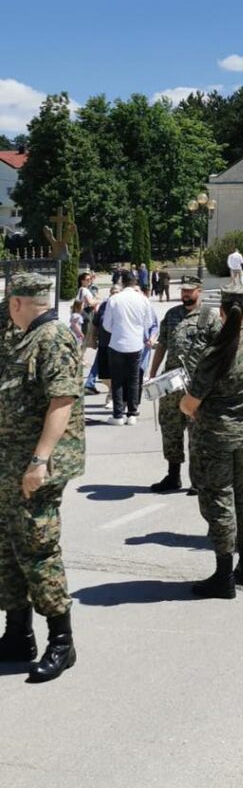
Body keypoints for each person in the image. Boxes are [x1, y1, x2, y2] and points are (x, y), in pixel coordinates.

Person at [0, 273, 85, 682]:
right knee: (7, 546)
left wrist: (39, 460)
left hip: (36, 466)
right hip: (8, 462)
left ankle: (61, 641)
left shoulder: (52, 338)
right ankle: (17, 633)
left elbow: (63, 400)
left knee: (37, 547)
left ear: (16, 303)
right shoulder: (19, 337)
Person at [180, 288, 243, 596]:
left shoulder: (216, 350)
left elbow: (191, 403)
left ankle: (223, 576)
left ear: (221, 312)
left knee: (219, 500)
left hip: (216, 439)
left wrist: (185, 407)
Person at [147, 277, 221, 492]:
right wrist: (152, 373)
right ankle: (173, 475)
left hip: (196, 385)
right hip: (171, 383)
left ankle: (198, 480)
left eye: (190, 291)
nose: (185, 295)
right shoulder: (172, 315)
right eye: (183, 291)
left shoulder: (209, 317)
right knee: (170, 428)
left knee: (196, 432)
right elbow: (162, 344)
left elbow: (218, 350)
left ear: (199, 291)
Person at [101, 271, 156, 424]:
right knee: (134, 379)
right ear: (135, 282)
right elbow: (148, 323)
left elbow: (107, 325)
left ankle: (118, 414)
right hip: (135, 344)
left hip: (117, 343)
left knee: (117, 380)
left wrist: (118, 330)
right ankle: (132, 413)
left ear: (122, 282)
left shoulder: (114, 299)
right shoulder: (143, 299)